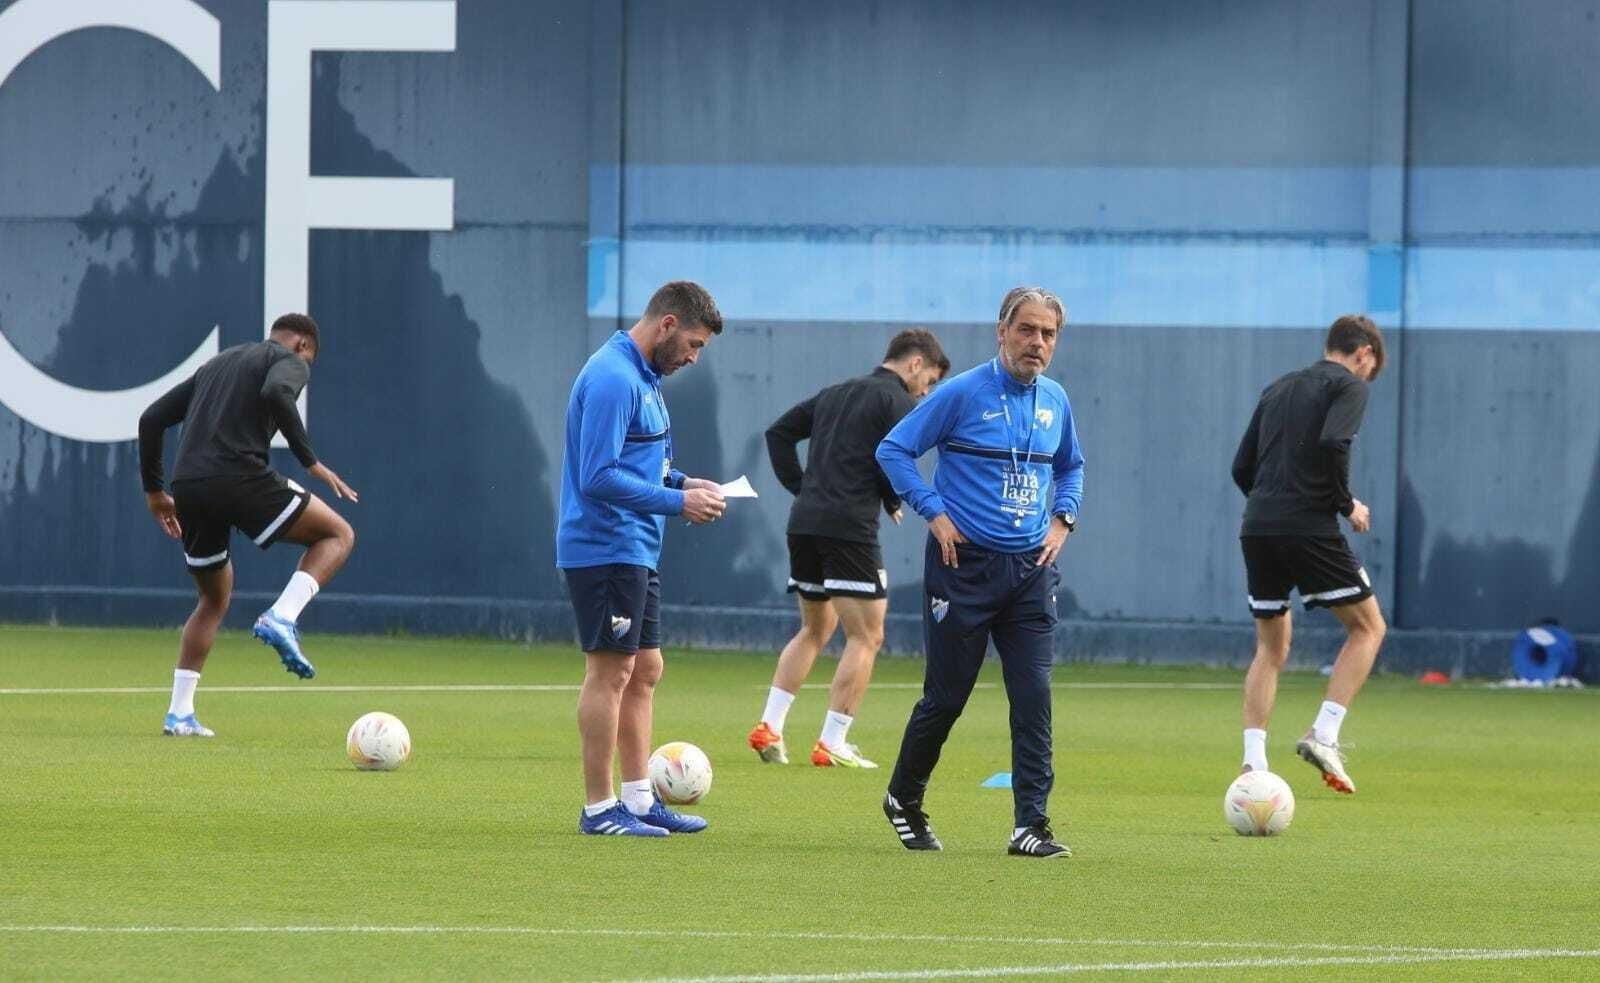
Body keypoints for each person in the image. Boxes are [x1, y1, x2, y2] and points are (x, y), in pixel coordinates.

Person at [875, 287, 1084, 857]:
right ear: (1002, 331)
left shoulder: (1056, 401)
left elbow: (1071, 468)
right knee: (946, 697)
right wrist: (934, 512)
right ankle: (903, 798)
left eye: (1047, 334)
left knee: (1033, 696)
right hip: (960, 567)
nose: (1036, 343)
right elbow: (893, 451)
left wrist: (1063, 519)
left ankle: (1030, 826)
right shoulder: (963, 392)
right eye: (1027, 330)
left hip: (1031, 573)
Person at [558, 281, 728, 838]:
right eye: (695, 344)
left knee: (646, 670)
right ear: (668, 325)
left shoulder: (645, 378)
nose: (695, 358)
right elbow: (598, 475)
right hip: (604, 546)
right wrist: (679, 502)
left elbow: (638, 462)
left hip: (636, 546)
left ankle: (637, 800)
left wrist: (682, 481)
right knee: (610, 673)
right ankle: (599, 808)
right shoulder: (612, 377)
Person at [137, 313, 359, 737]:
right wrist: (310, 461)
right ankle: (283, 616)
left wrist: (154, 492)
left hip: (188, 487)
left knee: (213, 598)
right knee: (338, 534)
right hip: (237, 475)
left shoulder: (218, 364)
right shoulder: (290, 360)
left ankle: (179, 714)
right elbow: (277, 391)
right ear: (302, 345)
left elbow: (151, 419)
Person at [750, 329, 950, 769]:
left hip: (804, 524)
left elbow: (778, 433)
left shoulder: (835, 392)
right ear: (915, 364)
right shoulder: (896, 401)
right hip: (848, 530)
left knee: (814, 629)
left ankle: (770, 725)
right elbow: (890, 455)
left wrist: (804, 489)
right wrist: (892, 498)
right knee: (868, 635)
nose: (926, 391)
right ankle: (832, 742)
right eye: (930, 381)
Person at [1231, 314, 1387, 794]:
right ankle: (1324, 732)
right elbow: (1334, 441)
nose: (1366, 379)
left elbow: (1242, 467)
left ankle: (1253, 764)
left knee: (1271, 647)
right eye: (1369, 369)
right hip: (1307, 525)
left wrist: (1270, 506)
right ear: (1363, 353)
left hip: (1257, 524)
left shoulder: (1277, 387)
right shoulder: (1349, 387)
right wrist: (1346, 505)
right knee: (1368, 627)